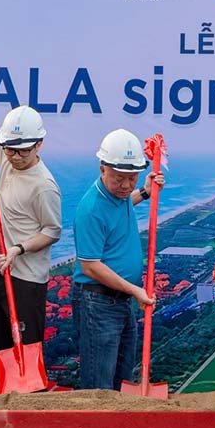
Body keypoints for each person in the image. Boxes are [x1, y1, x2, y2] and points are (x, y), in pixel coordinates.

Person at [0, 106, 62, 388]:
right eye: (10, 150)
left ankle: (29, 402)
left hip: (26, 278)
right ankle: (2, 395)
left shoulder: (44, 186)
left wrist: (18, 249)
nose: (16, 157)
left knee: (26, 346)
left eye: (23, 151)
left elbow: (52, 231)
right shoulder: (7, 157)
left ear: (39, 145)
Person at [71, 128, 162, 390]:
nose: (125, 186)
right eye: (118, 178)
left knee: (122, 379)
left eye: (132, 178)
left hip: (121, 300)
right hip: (98, 301)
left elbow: (121, 205)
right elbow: (90, 266)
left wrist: (143, 192)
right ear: (102, 169)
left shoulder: (117, 197)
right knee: (100, 382)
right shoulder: (90, 209)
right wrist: (135, 289)